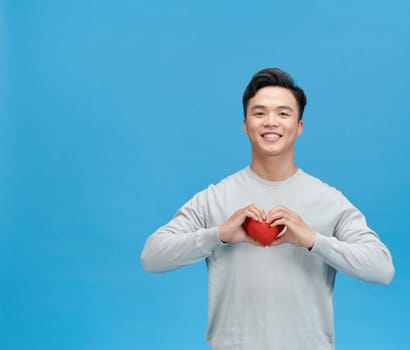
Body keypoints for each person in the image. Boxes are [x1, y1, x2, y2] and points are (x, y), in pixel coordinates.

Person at [141, 68, 395, 350]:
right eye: (259, 113)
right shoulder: (213, 198)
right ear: (245, 124)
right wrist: (218, 235)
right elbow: (151, 257)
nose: (270, 122)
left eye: (283, 114)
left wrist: (313, 240)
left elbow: (382, 269)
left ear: (299, 126)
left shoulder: (329, 200)